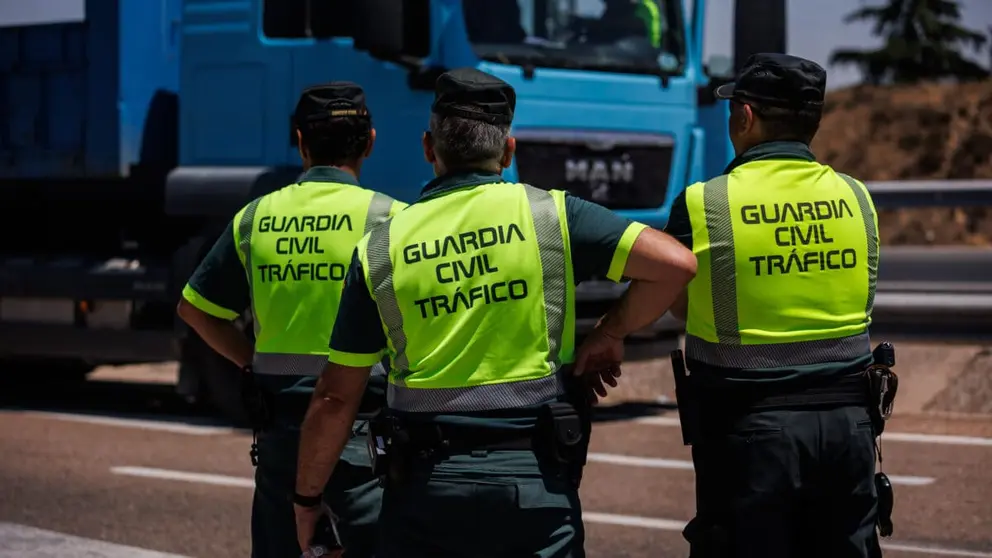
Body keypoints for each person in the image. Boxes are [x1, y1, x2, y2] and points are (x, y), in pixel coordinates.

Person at [293, 67, 697, 558]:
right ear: (508, 149)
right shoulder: (552, 215)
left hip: (426, 492)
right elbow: (676, 264)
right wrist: (610, 332)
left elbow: (336, 398)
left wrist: (307, 497)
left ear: (429, 148)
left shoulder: (381, 247)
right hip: (535, 488)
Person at [663, 53, 884, 558]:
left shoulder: (704, 202)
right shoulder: (857, 196)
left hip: (750, 435)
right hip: (850, 429)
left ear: (744, 115)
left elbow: (677, 305)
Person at [176, 82, 406, 558]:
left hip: (282, 438)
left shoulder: (255, 217)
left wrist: (249, 360)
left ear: (299, 141)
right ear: (370, 142)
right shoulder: (393, 220)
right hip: (362, 441)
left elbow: (194, 308)